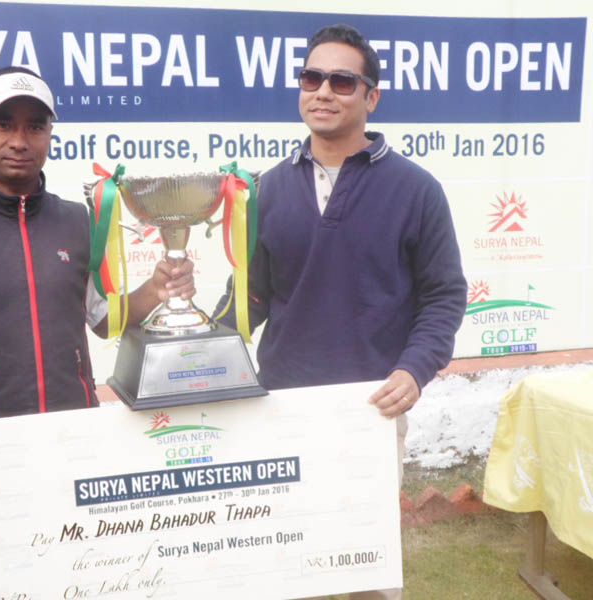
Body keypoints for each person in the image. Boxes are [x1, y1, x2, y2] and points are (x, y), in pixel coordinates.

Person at [0, 66, 194, 599]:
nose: (19, 140)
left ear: (50, 134)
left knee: (83, 578)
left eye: (35, 126)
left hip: (76, 441)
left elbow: (101, 317)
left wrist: (156, 288)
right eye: (4, 124)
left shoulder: (78, 221)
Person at [214, 24, 467, 600]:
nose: (322, 91)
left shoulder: (417, 190)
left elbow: (444, 294)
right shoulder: (265, 191)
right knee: (282, 569)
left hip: (371, 411)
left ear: (370, 97)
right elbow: (249, 299)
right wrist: (192, 352)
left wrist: (414, 369)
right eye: (311, 77)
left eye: (341, 80)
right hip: (280, 408)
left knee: (367, 576)